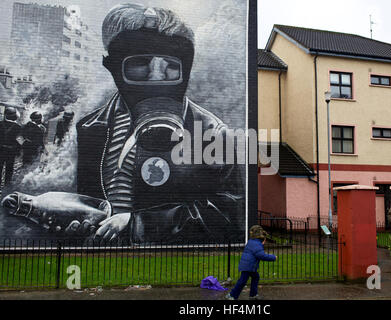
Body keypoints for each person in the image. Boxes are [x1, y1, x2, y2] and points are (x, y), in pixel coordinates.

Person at [3, 4, 245, 244]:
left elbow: (229, 213)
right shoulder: (91, 128)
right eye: (141, 63)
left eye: (171, 66)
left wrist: (138, 225)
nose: (157, 76)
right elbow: (91, 202)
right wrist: (76, 219)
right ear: (113, 67)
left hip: (163, 262)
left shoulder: (211, 132)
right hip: (105, 260)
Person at [226, 225, 277, 300]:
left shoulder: (251, 241)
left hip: (248, 265)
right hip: (248, 266)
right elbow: (261, 255)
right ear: (262, 239)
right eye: (265, 240)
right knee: (242, 281)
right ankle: (232, 295)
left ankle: (253, 295)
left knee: (255, 277)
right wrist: (273, 257)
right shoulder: (257, 244)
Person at [0, 107, 22, 184]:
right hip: (11, 151)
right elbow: (20, 141)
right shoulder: (18, 127)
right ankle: (6, 185)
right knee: (9, 169)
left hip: (0, 150)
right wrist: (19, 150)